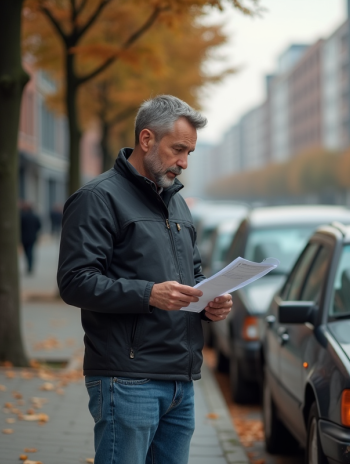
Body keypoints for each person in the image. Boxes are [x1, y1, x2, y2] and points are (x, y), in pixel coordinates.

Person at [57, 95, 232, 464]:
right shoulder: (97, 198)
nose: (184, 162)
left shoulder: (177, 202)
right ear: (147, 140)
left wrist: (209, 303)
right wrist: (149, 295)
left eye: (190, 153)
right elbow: (75, 281)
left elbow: (192, 275)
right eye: (178, 149)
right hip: (127, 378)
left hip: (181, 381)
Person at [20, 202, 41, 275]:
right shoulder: (35, 216)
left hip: (24, 237)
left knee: (26, 252)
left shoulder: (22, 217)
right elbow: (39, 226)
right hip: (32, 237)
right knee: (30, 251)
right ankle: (30, 266)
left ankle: (29, 266)